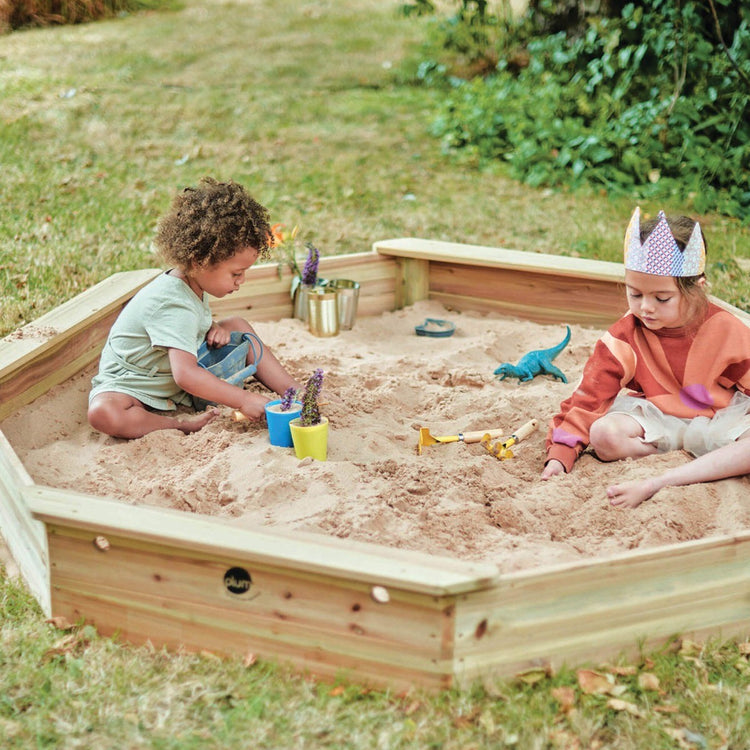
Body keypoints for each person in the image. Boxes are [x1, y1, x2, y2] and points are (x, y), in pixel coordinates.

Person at [541, 206, 750, 508]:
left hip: (718, 419)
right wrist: (560, 454)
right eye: (635, 294)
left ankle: (670, 477)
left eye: (661, 298)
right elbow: (589, 397)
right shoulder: (625, 335)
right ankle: (687, 461)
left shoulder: (725, 329)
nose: (645, 308)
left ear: (696, 289)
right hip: (658, 419)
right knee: (604, 434)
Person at [88, 177, 302, 439]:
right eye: (236, 273)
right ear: (200, 261)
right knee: (104, 413)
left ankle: (293, 390)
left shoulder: (191, 282)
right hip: (135, 383)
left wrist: (211, 327)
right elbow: (186, 375)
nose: (242, 280)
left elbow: (188, 322)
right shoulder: (172, 302)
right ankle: (179, 424)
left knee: (236, 325)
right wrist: (243, 399)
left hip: (170, 369)